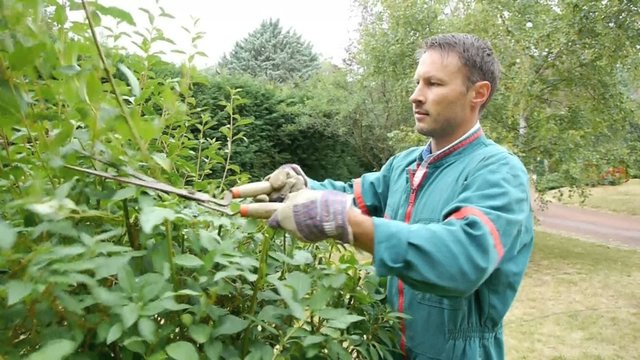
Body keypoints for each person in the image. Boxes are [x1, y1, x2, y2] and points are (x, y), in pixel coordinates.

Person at [264, 33, 534, 360]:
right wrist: (303, 186)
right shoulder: (404, 164)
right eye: (417, 82)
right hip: (388, 347)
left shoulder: (498, 172)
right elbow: (352, 197)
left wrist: (343, 223)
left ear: (478, 93)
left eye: (433, 84)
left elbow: (462, 259)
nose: (415, 96)